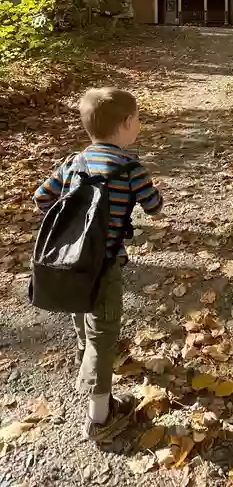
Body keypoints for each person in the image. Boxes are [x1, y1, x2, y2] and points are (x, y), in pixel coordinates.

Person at [33, 87, 163, 440]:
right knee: (103, 336)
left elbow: (42, 197)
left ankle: (84, 358)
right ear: (125, 124)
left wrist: (74, 223)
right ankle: (100, 416)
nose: (138, 125)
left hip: (72, 264)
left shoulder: (74, 161)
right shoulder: (132, 168)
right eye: (136, 120)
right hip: (106, 266)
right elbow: (154, 206)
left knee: (82, 315)